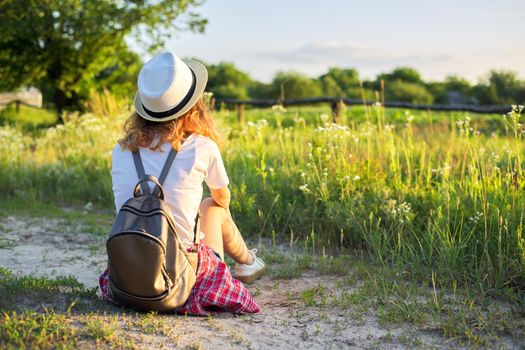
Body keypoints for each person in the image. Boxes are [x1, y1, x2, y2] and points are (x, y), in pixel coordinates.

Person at [99, 51, 266, 315]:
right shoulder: (201, 147)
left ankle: (249, 261)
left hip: (132, 270)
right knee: (212, 207)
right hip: (181, 272)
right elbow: (222, 200)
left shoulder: (121, 150)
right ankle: (247, 262)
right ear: (193, 106)